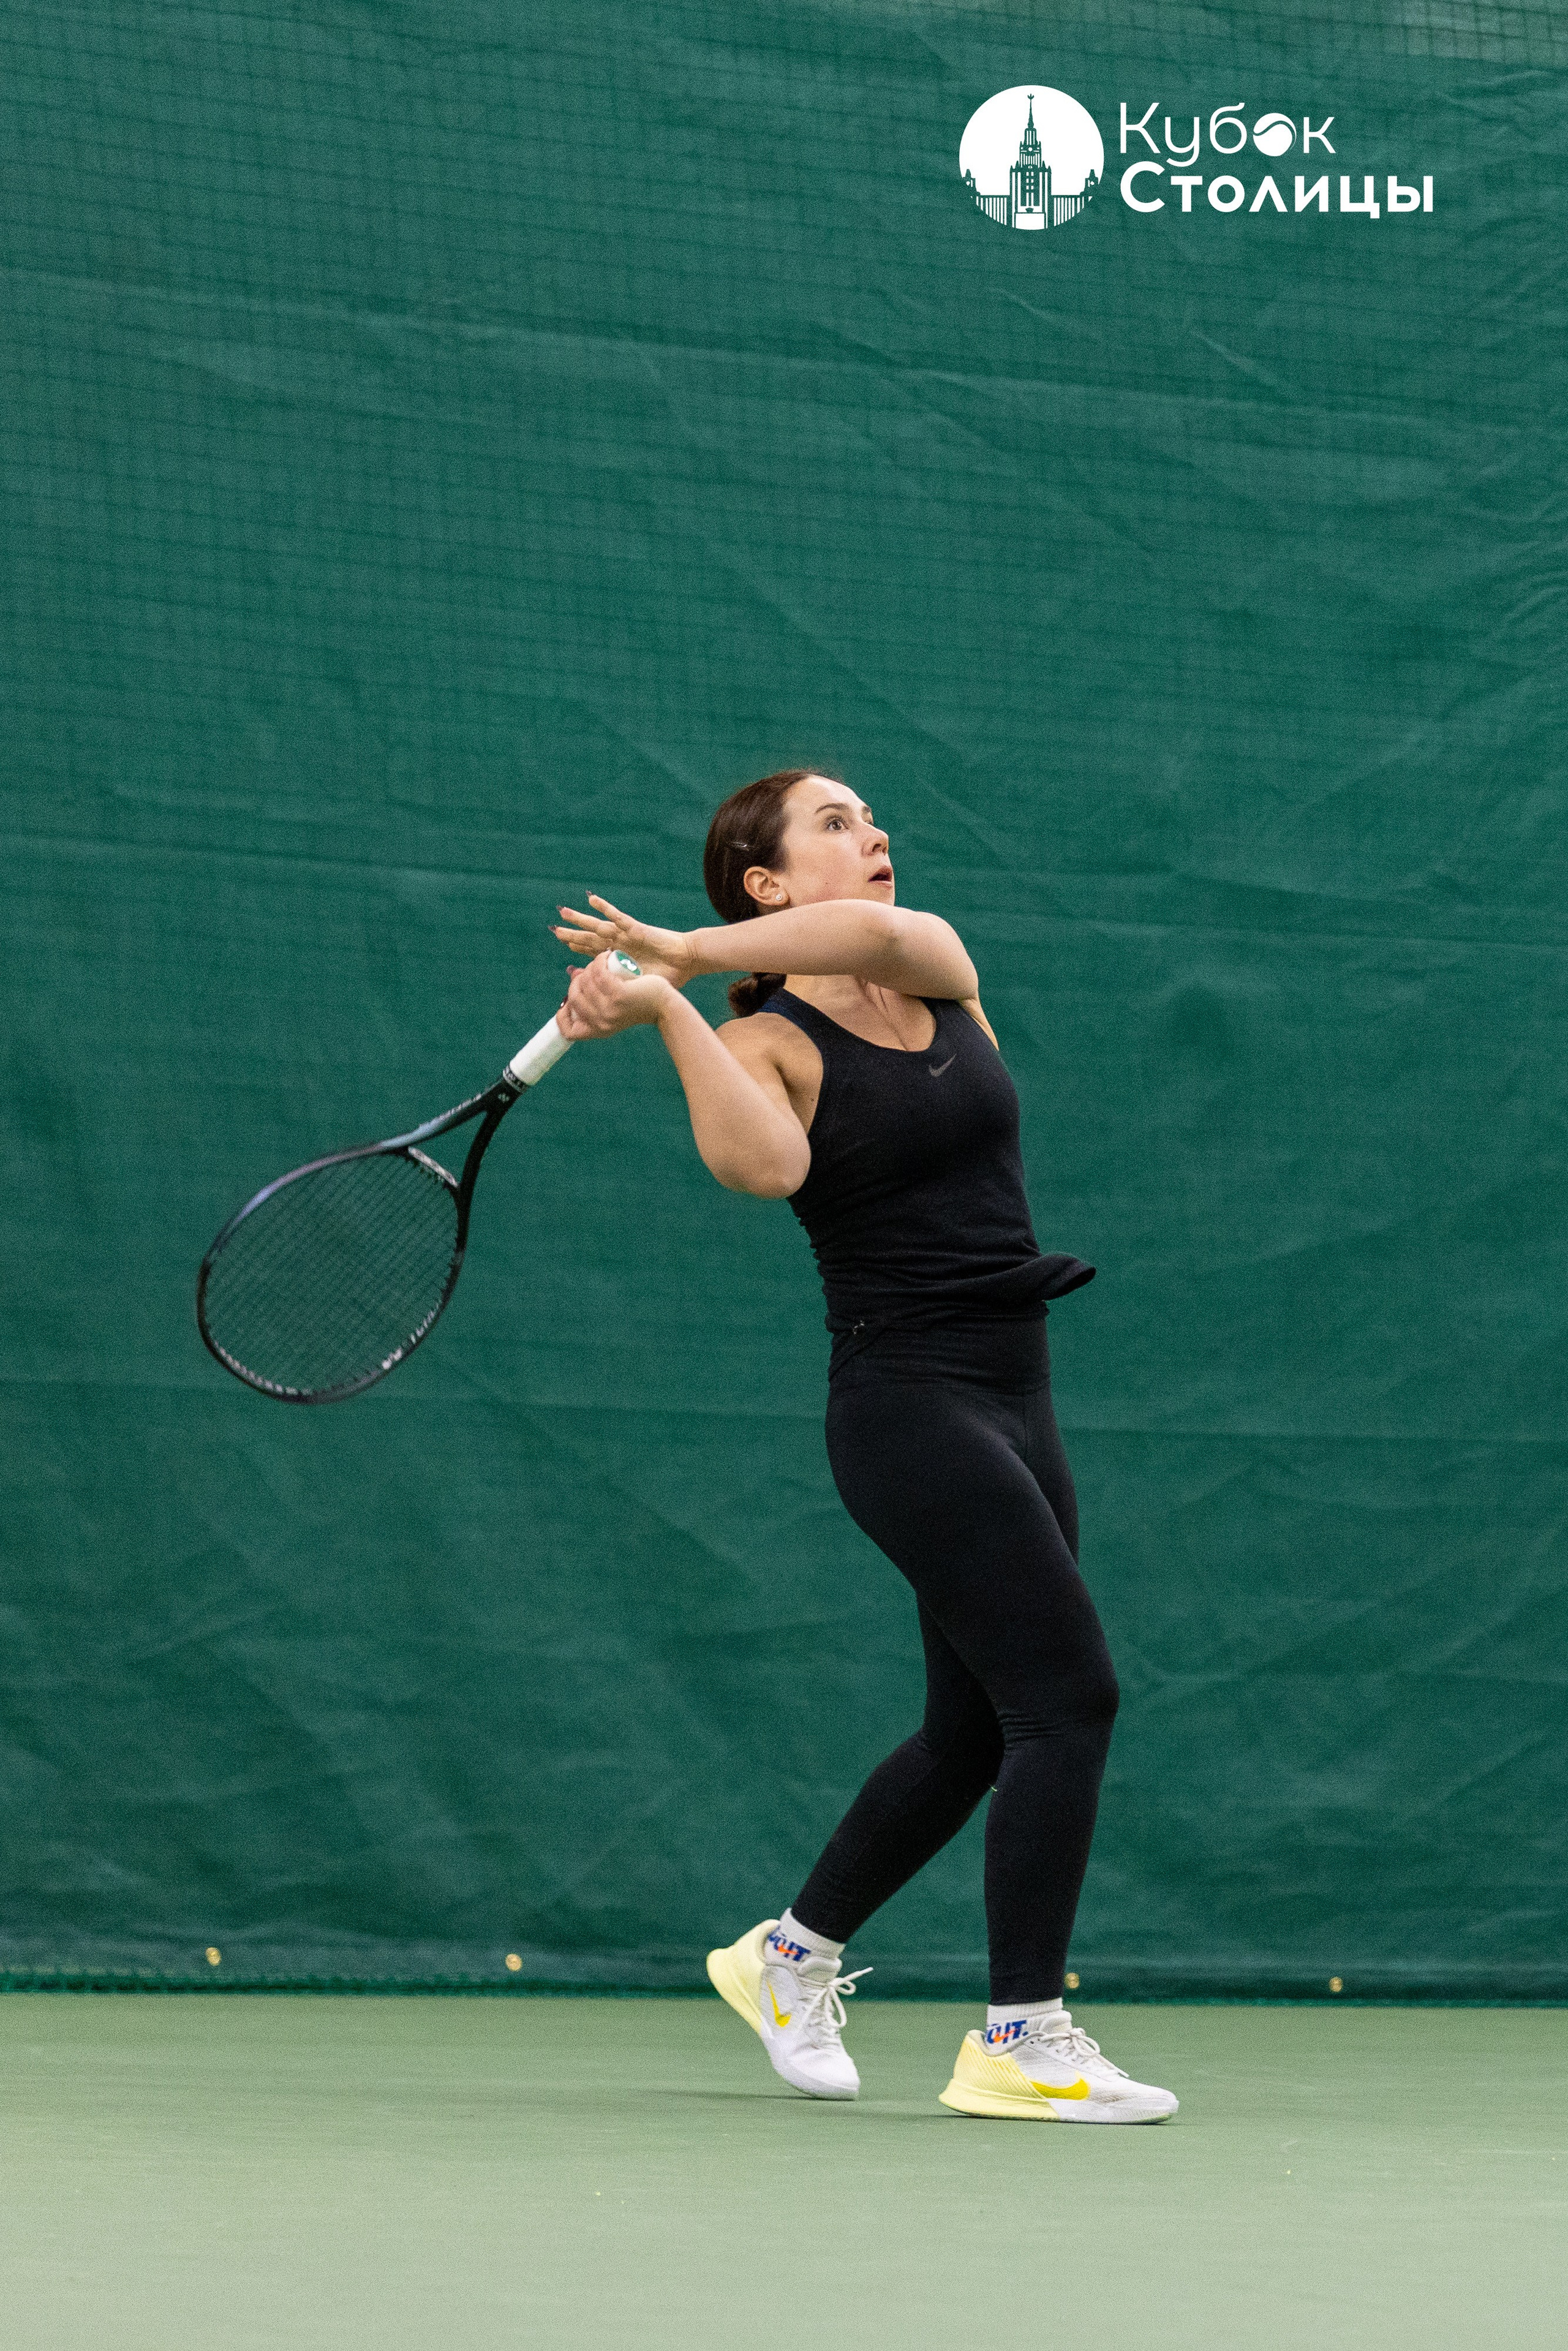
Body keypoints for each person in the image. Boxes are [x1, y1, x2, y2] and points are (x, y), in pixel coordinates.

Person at [551, 768, 1177, 2124]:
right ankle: (1020, 2033)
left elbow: (883, 943)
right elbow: (763, 1169)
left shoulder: (937, 967)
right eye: (833, 824)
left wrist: (678, 949)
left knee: (972, 1729)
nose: (873, 836)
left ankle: (788, 1954)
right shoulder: (767, 1043)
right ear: (765, 880)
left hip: (1019, 1387)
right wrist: (670, 1006)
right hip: (905, 1405)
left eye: (873, 819)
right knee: (1068, 1696)